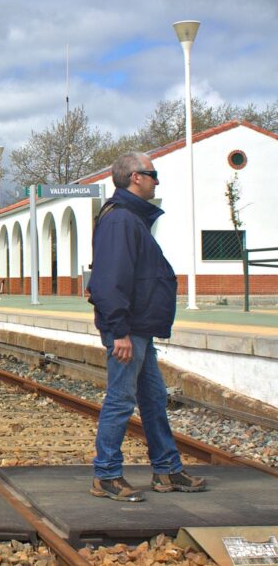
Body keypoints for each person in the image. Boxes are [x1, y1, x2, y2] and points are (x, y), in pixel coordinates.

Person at [87, 152, 206, 502]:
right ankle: (106, 475)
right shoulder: (121, 219)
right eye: (153, 174)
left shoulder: (128, 218)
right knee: (121, 401)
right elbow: (112, 279)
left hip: (138, 328)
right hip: (128, 330)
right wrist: (119, 330)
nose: (157, 180)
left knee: (153, 399)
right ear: (135, 177)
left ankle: (167, 470)